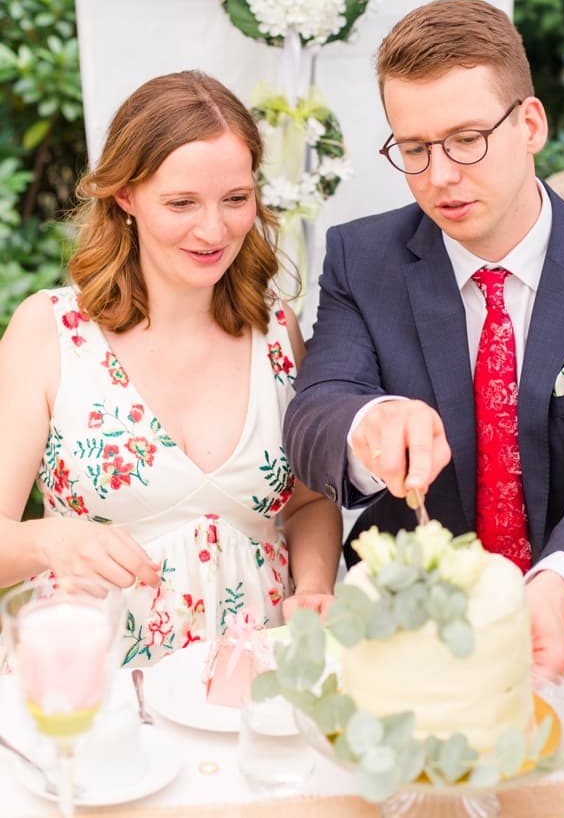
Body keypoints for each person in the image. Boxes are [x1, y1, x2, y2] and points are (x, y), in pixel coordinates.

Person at [284, 0, 564, 679]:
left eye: (467, 139)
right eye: (414, 149)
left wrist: (561, 581)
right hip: (405, 638)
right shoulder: (362, 258)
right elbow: (316, 410)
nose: (440, 175)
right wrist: (370, 421)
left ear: (530, 124)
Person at [0, 72, 341, 665]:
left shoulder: (276, 329)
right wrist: (49, 538)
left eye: (235, 199)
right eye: (182, 203)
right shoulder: (48, 331)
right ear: (125, 196)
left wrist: (313, 589)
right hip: (94, 690)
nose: (214, 230)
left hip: (250, 691)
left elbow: (309, 503)